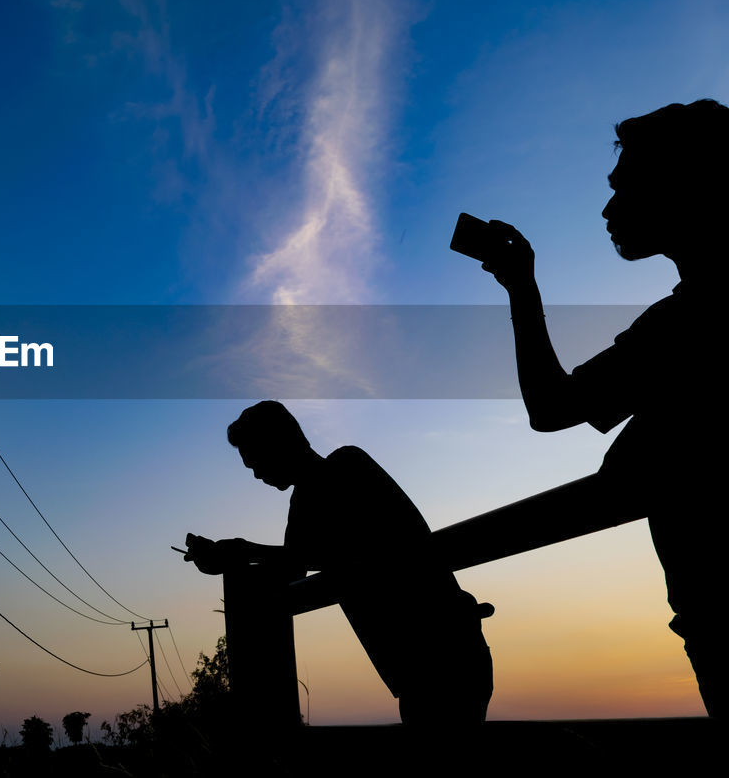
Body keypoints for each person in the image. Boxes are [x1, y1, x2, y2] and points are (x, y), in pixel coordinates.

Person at [478, 99, 728, 718]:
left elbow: (552, 406)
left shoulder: (688, 325)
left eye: (626, 188)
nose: (608, 209)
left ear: (684, 184)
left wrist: (520, 286)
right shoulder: (687, 319)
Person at [185, 400, 493, 724]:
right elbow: (295, 568)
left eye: (256, 461)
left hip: (444, 649)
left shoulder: (348, 465)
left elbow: (347, 551)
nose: (257, 474)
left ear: (280, 442)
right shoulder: (302, 500)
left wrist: (242, 551)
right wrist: (229, 557)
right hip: (418, 662)